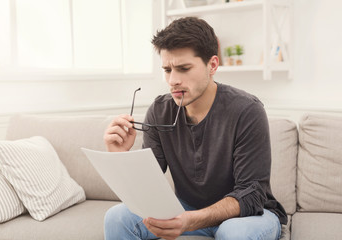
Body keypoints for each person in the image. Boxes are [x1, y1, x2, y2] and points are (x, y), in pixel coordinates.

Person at [103, 17, 287, 240]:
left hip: (247, 214)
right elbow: (148, 187)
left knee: (235, 233)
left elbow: (252, 194)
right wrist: (120, 156)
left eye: (183, 68)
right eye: (167, 70)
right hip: (186, 208)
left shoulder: (247, 110)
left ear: (213, 65)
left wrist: (191, 220)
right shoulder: (159, 110)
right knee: (116, 217)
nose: (173, 80)